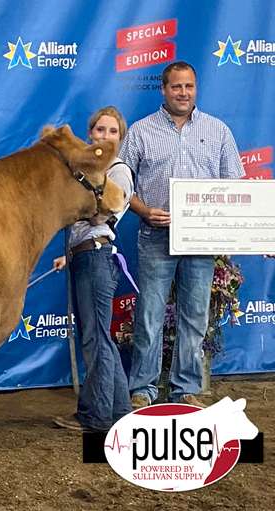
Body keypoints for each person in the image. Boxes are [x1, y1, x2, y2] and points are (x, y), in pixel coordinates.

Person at [120, 61, 245, 409]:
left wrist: (248, 230)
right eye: (176, 87)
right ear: (163, 90)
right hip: (156, 236)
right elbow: (119, 185)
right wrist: (143, 211)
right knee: (149, 315)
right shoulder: (141, 132)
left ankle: (184, 389)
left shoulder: (218, 131)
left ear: (196, 88)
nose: (183, 93)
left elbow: (235, 186)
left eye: (189, 86)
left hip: (200, 241)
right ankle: (142, 389)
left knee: (194, 317)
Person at [53, 106, 135, 432]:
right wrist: (69, 253)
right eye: (99, 130)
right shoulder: (89, 172)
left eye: (112, 131)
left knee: (95, 339)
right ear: (90, 134)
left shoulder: (117, 171)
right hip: (85, 255)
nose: (104, 136)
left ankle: (96, 416)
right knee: (100, 337)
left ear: (120, 137)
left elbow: (104, 216)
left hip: (97, 256)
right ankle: (121, 411)